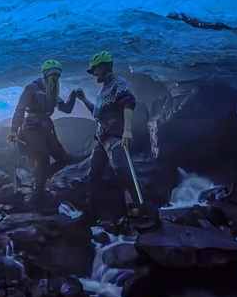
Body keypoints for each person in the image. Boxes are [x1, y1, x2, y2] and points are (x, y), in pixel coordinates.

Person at [75, 51, 143, 220]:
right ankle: (97, 212)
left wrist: (127, 131)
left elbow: (128, 103)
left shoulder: (118, 82)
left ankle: (142, 210)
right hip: (102, 138)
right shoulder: (102, 91)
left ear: (105, 66)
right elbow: (98, 114)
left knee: (124, 173)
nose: (94, 74)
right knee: (94, 174)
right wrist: (83, 99)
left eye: (95, 70)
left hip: (115, 135)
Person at [9, 60, 84, 205]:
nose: (55, 78)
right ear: (45, 74)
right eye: (52, 75)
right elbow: (20, 109)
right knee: (43, 159)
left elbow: (66, 109)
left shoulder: (53, 91)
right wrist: (13, 131)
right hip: (31, 130)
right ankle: (38, 192)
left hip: (46, 129)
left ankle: (40, 178)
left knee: (64, 158)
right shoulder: (32, 88)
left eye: (57, 76)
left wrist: (73, 95)